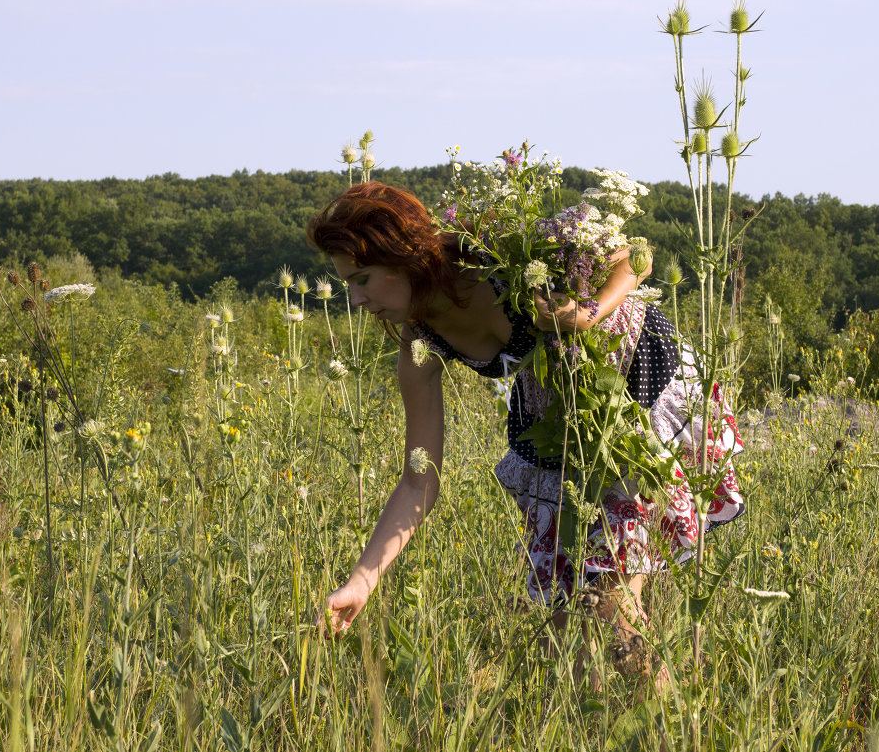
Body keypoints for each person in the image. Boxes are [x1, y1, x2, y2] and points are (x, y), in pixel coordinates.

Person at [307, 180, 744, 686]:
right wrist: (363, 581)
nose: (356, 300)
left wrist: (586, 313)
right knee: (568, 623)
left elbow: (633, 258)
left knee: (607, 613)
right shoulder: (418, 344)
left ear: (402, 256)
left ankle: (668, 727)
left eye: (361, 278)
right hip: (561, 426)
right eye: (348, 285)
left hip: (634, 391)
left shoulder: (496, 256)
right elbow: (417, 479)